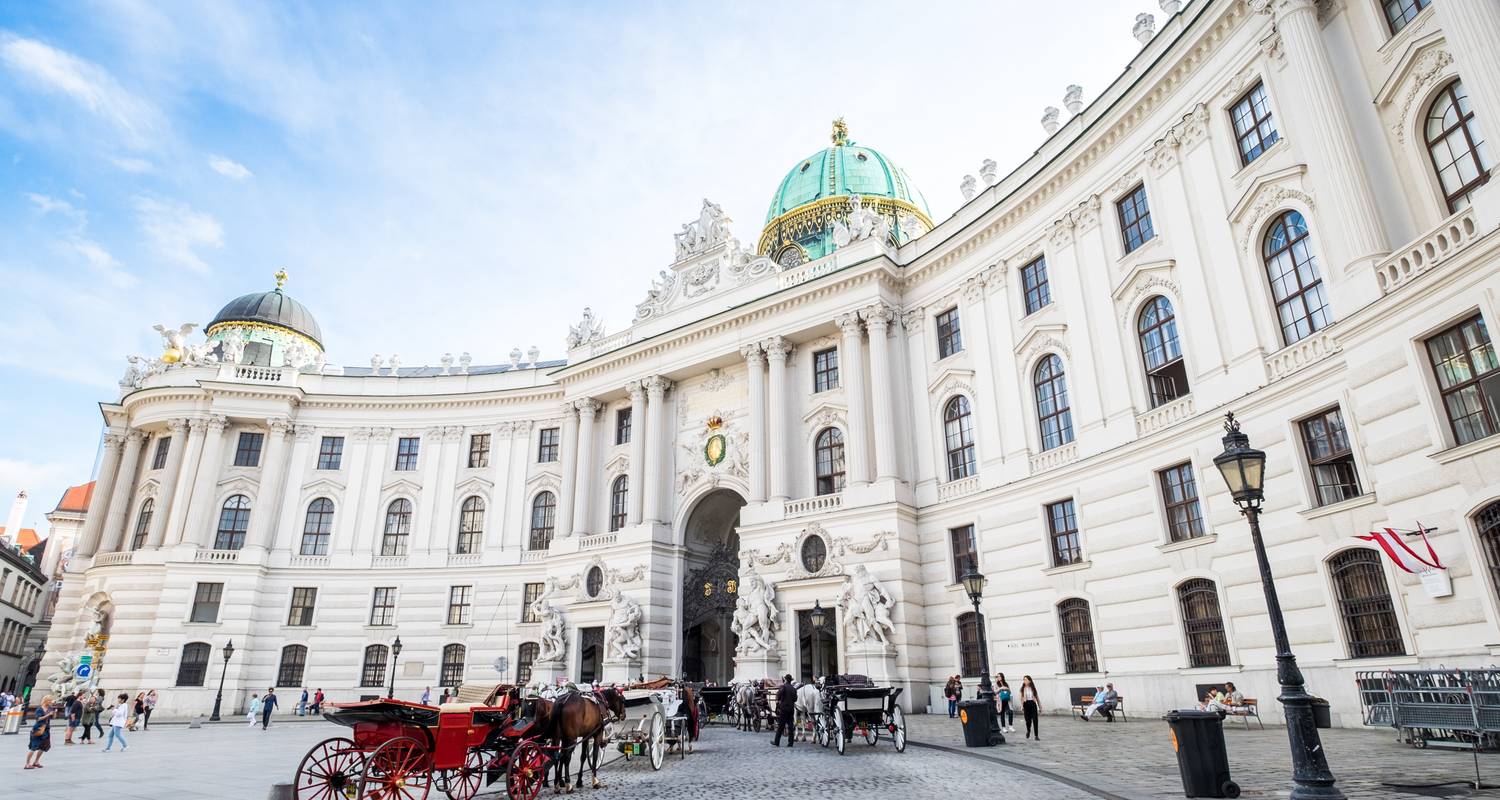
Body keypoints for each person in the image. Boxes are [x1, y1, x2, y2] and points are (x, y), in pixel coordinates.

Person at [25, 699, 54, 768]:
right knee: (33, 747)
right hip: (38, 729)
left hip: (46, 729)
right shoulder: (39, 709)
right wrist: (48, 715)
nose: (51, 702)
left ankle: (36, 762)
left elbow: (52, 717)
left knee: (43, 746)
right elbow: (38, 719)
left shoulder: (50, 708)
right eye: (50, 701)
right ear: (46, 701)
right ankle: (27, 764)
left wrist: (53, 714)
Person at [770, 674, 797, 748]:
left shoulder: (783, 687)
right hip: (791, 709)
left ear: (785, 680)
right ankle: (790, 743)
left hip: (784, 709)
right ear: (790, 680)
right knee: (790, 726)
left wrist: (779, 700)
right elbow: (795, 699)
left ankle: (776, 742)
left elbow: (778, 696)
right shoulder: (793, 688)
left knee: (781, 725)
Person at [1020, 675, 1041, 740]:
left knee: (1035, 720)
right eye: (1024, 680)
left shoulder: (1033, 688)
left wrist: (1040, 706)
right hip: (1026, 704)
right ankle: (1028, 731)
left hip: (1033, 704)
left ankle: (1036, 736)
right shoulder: (1022, 689)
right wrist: (1021, 706)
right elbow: (1021, 698)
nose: (1024, 681)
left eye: (1026, 679)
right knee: (1028, 721)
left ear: (1030, 681)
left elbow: (1037, 698)